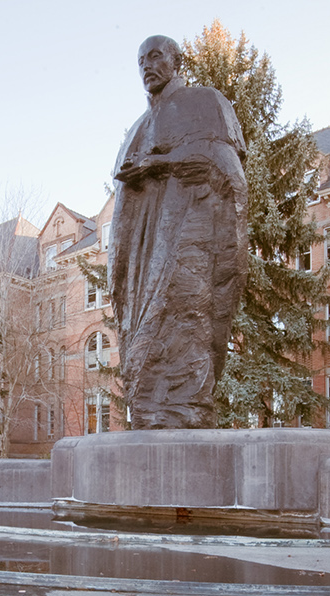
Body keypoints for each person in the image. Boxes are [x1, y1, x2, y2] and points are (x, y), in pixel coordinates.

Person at [111, 35, 248, 429]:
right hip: (142, 247)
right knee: (142, 333)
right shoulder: (139, 126)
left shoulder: (205, 102)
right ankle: (150, 413)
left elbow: (223, 165)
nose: (146, 66)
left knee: (185, 318)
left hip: (192, 233)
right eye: (140, 61)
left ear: (177, 61)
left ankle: (184, 410)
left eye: (155, 57)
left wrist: (161, 164)